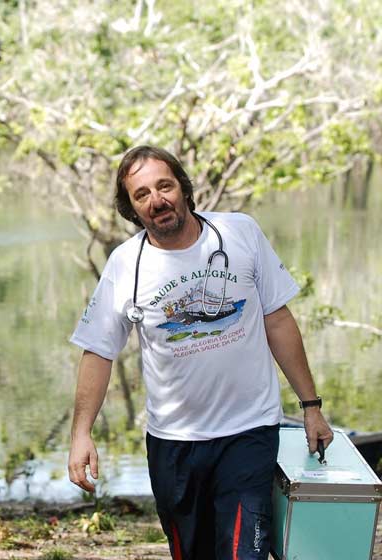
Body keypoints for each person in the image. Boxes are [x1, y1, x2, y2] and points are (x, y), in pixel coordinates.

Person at [67, 145, 333, 560]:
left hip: (249, 431)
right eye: (142, 195)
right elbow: (99, 352)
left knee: (244, 552)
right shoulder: (125, 266)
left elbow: (277, 320)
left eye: (164, 186)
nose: (157, 200)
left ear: (184, 188)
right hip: (174, 443)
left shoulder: (240, 233)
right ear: (132, 209)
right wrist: (81, 433)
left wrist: (311, 405)